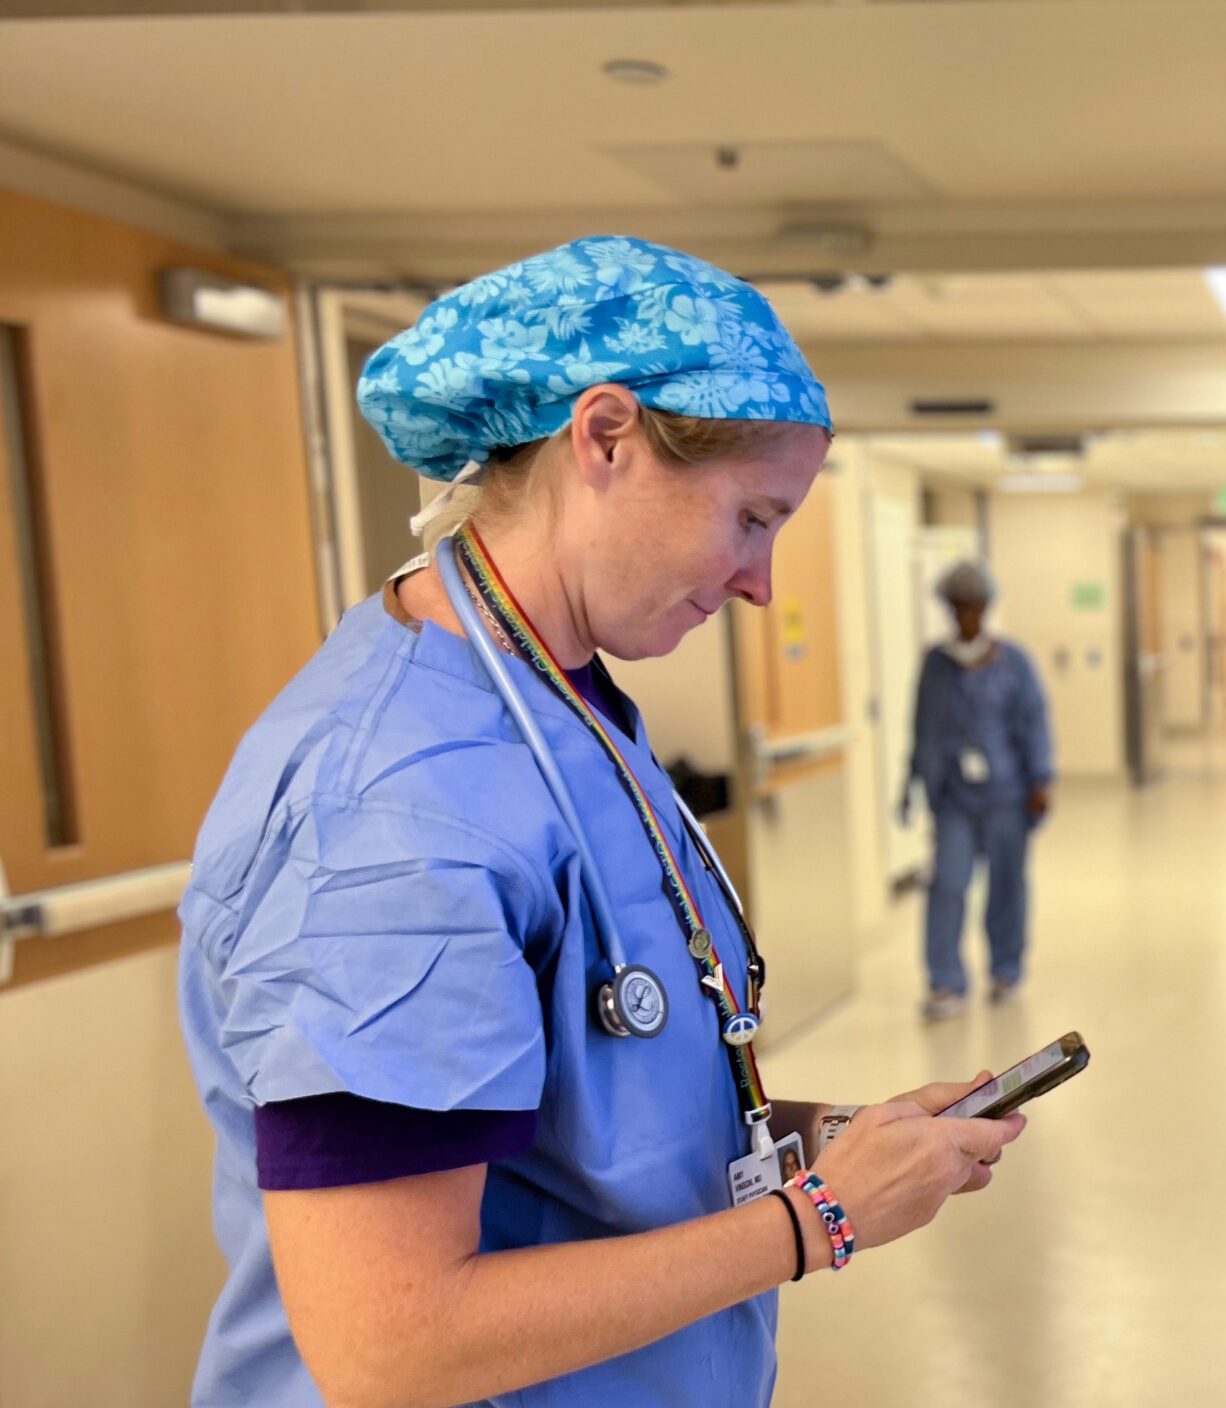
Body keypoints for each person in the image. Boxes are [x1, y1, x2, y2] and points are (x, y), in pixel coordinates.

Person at [176, 237, 1023, 1408]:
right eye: (752, 517)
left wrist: (825, 1136)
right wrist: (816, 1220)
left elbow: (583, 1112)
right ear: (605, 438)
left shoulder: (561, 712)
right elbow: (392, 1344)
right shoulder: (395, 811)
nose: (760, 582)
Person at [902, 560, 1054, 1021]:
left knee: (1007, 886)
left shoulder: (1014, 662)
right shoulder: (936, 664)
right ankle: (945, 981)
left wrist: (1041, 778)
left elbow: (1034, 722)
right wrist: (912, 786)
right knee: (947, 884)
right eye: (958, 607)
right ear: (950, 610)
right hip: (954, 799)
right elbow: (922, 729)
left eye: (974, 607)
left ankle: (1006, 969)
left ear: (987, 608)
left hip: (1007, 794)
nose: (966, 616)